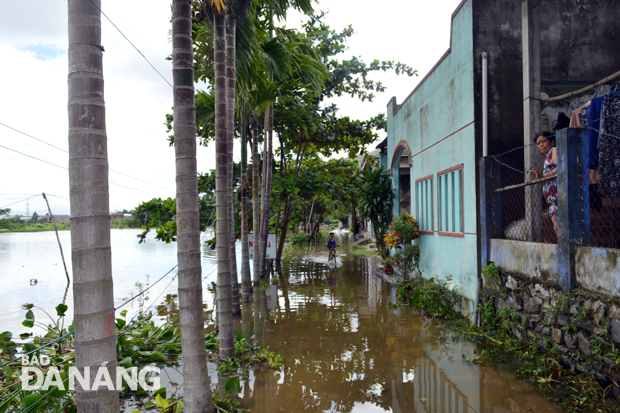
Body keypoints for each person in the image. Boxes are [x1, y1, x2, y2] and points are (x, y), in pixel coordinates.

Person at [530, 131, 558, 236]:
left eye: (544, 141)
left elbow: (562, 165)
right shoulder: (547, 157)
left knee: (559, 227)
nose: (541, 145)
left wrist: (545, 176)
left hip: (558, 197)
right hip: (553, 201)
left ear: (552, 141)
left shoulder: (553, 151)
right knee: (557, 227)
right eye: (538, 143)